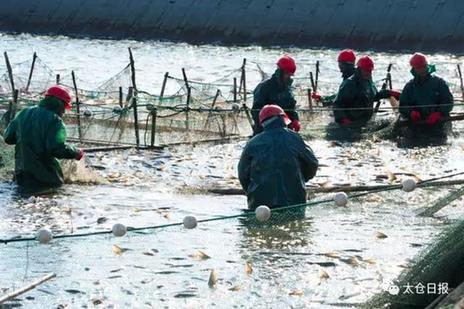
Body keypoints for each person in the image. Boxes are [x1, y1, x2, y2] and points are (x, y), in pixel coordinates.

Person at [4, 85, 84, 195]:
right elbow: (56, 148)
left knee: (23, 202)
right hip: (46, 179)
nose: (64, 111)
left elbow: (8, 138)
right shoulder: (55, 120)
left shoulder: (23, 113)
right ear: (58, 104)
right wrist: (75, 152)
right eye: (64, 107)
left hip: (21, 176)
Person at [238, 105, 319, 211]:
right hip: (293, 201)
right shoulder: (294, 138)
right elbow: (312, 164)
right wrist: (301, 179)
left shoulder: (252, 143)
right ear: (282, 119)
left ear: (263, 123)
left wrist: (253, 191)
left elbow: (242, 174)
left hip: (259, 204)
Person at [332, 55, 400, 127]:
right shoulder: (349, 84)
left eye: (370, 71)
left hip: (364, 121)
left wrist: (389, 93)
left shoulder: (368, 81)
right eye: (366, 70)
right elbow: (337, 104)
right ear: (359, 69)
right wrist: (343, 119)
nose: (369, 73)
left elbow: (375, 96)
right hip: (352, 122)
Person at [399, 53, 453, 126]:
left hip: (438, 123)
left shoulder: (439, 82)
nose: (422, 70)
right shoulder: (409, 86)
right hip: (417, 124)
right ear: (414, 69)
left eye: (424, 66)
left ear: (427, 66)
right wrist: (411, 112)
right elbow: (402, 106)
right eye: (419, 67)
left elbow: (448, 101)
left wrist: (439, 113)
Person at [251, 55, 300, 135]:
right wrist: (264, 126)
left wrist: (295, 120)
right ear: (280, 72)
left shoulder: (288, 88)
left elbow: (292, 107)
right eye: (286, 74)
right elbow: (255, 111)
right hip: (265, 130)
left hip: (285, 129)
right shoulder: (264, 87)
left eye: (290, 75)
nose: (288, 77)